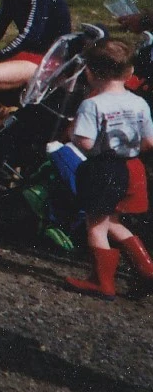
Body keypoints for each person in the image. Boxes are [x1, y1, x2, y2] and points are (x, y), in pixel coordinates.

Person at [61, 39, 153, 298]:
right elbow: (149, 142)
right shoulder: (139, 103)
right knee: (112, 221)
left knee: (96, 225)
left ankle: (102, 281)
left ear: (89, 72)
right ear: (129, 73)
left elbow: (86, 142)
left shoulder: (92, 104)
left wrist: (72, 132)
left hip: (102, 167)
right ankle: (146, 267)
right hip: (131, 167)